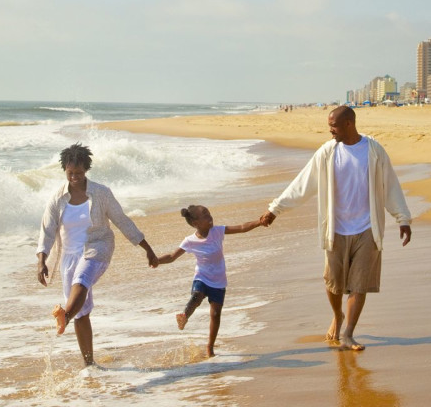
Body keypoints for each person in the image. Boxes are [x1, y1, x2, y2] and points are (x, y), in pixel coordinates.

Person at [259, 105, 412, 351]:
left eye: (334, 126)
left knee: (359, 284)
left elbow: (390, 185)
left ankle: (348, 333)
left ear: (349, 124)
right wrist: (275, 209)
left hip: (367, 229)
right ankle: (337, 315)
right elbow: (303, 184)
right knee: (333, 284)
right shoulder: (328, 152)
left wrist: (402, 218)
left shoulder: (373, 151)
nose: (331, 131)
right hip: (336, 228)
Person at [36, 143, 158, 366]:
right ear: (65, 169)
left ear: (86, 170)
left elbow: (122, 220)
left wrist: (147, 249)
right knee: (82, 313)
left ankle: (64, 315)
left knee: (81, 281)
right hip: (68, 257)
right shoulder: (57, 198)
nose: (74, 177)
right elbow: (47, 228)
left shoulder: (101, 193)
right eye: (70, 173)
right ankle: (89, 365)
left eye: (79, 173)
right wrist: (41, 260)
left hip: (97, 247)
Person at [156, 205, 263, 357]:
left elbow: (241, 227)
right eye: (205, 215)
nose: (210, 217)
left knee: (215, 315)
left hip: (219, 281)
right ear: (195, 223)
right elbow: (172, 256)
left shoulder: (217, 231)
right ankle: (185, 316)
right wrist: (156, 261)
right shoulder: (190, 241)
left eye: (209, 213)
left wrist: (259, 222)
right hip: (202, 277)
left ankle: (210, 347)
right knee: (197, 295)